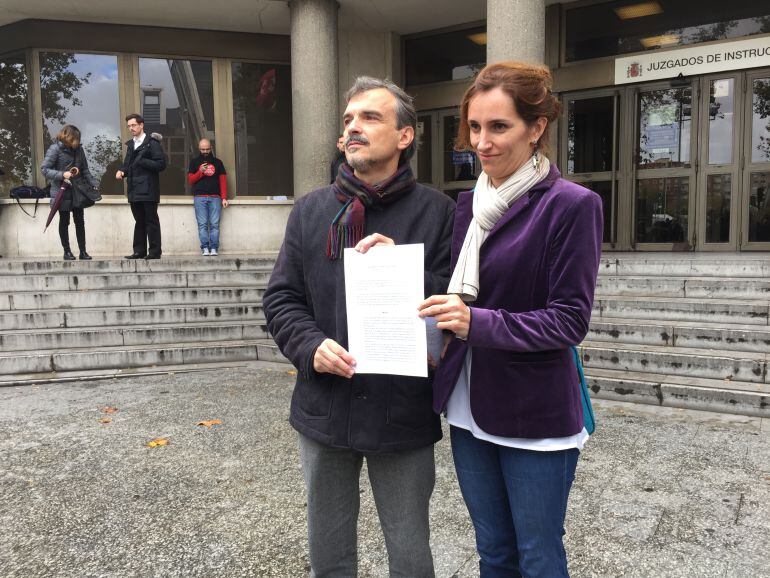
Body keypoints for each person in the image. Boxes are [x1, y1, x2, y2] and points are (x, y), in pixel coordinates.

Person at [263, 76, 455, 578]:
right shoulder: (310, 211)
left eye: (370, 117)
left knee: (411, 551)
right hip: (325, 406)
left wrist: (410, 275)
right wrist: (310, 346)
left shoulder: (439, 212)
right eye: (348, 120)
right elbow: (282, 298)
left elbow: (457, 304)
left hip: (402, 409)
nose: (354, 127)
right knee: (328, 551)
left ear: (405, 136)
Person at [418, 62, 603, 578]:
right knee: (493, 552)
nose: (482, 142)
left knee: (539, 556)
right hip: (466, 405)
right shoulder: (469, 205)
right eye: (474, 127)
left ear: (536, 127)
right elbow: (447, 287)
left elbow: (568, 321)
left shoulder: (571, 206)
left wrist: (478, 323)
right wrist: (393, 261)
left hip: (533, 412)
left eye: (499, 127)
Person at [41, 124, 99, 260]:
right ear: (68, 137)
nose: (77, 142)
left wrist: (94, 183)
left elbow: (85, 170)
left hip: (77, 191)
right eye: (75, 139)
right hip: (61, 192)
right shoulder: (55, 149)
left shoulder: (79, 149)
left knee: (80, 221)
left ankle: (83, 252)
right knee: (64, 221)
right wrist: (62, 174)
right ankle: (67, 251)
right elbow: (44, 169)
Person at [116, 114, 167, 260]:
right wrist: (122, 171)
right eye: (129, 126)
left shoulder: (152, 143)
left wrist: (143, 161)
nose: (131, 128)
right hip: (134, 189)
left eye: (133, 125)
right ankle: (139, 251)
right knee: (139, 221)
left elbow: (161, 164)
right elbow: (127, 164)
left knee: (151, 221)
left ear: (141, 125)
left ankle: (154, 252)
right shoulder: (131, 145)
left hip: (149, 190)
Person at [187, 138, 228, 256]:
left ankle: (214, 248)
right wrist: (200, 172)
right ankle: (205, 247)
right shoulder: (194, 162)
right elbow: (190, 180)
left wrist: (224, 197)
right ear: (199, 149)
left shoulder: (218, 162)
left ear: (211, 148)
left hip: (215, 197)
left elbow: (223, 181)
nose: (205, 151)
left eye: (207, 149)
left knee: (215, 224)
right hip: (200, 197)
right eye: (202, 149)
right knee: (202, 224)